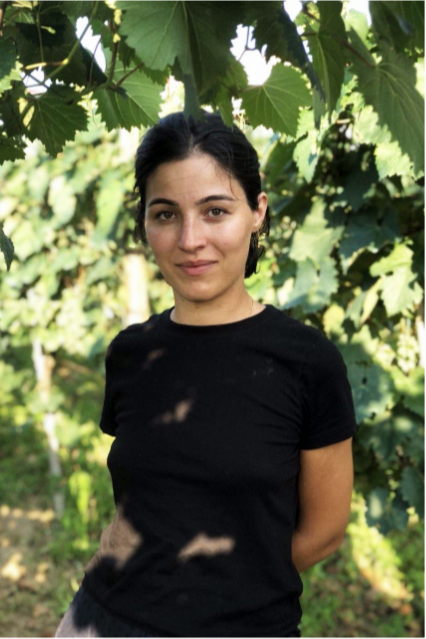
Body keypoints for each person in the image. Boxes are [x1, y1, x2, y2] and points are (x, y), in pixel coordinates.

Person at [55, 110, 358, 638]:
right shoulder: (131, 353)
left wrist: (225, 592)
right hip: (102, 621)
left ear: (257, 212)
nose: (191, 239)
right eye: (166, 214)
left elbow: (325, 531)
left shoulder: (307, 362)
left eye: (215, 211)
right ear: (146, 222)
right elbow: (145, 504)